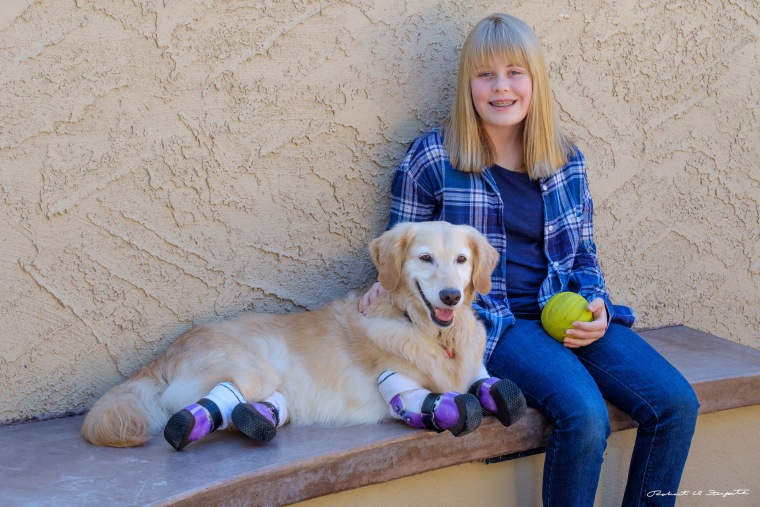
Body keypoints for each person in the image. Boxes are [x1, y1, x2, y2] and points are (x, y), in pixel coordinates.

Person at [360, 13, 699, 507]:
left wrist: (597, 303)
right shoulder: (432, 158)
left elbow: (583, 253)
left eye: (515, 72)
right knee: (583, 414)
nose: (502, 88)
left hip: (560, 309)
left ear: (535, 79)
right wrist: (384, 285)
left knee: (675, 403)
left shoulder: (565, 159)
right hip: (491, 323)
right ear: (467, 84)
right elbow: (400, 250)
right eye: (486, 75)